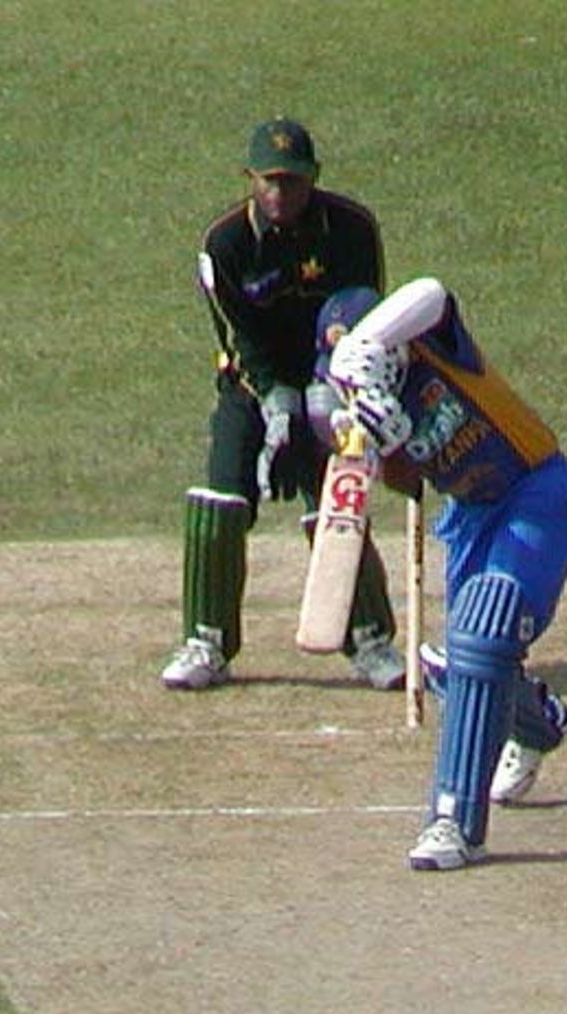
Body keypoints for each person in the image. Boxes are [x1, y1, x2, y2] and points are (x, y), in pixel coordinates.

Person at [321, 276, 567, 869]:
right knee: (460, 663)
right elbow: (405, 481)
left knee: (480, 636)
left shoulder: (438, 341)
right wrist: (376, 443)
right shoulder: (352, 402)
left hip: (537, 492)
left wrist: (361, 346)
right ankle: (539, 723)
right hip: (470, 518)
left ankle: (454, 823)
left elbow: (432, 290)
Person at [160, 117, 404, 692]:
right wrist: (276, 401)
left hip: (332, 386)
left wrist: (330, 390)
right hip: (253, 389)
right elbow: (235, 337)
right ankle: (206, 640)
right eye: (269, 181)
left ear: (313, 178)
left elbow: (366, 315)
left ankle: (371, 640)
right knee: (221, 500)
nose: (280, 193)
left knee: (337, 507)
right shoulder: (225, 244)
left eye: (293, 181)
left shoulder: (351, 229)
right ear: (250, 179)